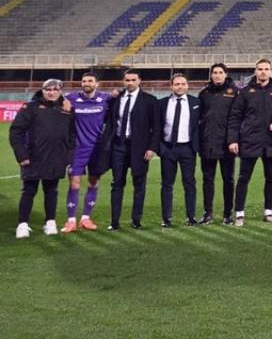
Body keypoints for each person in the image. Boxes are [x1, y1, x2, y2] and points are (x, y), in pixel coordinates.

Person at [9, 79, 75, 238]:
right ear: (42, 90)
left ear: (60, 91)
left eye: (55, 89)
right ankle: (22, 224)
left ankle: (50, 222)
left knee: (51, 191)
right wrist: (22, 155)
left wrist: (68, 156)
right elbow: (16, 132)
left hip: (56, 158)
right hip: (33, 158)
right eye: (47, 89)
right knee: (29, 191)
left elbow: (72, 135)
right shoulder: (30, 107)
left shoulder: (67, 108)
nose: (51, 92)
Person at [100, 68, 162, 230]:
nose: (130, 83)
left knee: (139, 185)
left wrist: (152, 148)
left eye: (133, 80)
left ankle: (136, 221)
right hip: (119, 146)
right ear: (123, 81)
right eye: (127, 80)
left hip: (140, 148)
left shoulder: (150, 100)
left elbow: (156, 127)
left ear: (139, 81)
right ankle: (114, 222)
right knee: (117, 184)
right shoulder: (116, 99)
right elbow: (109, 120)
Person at [228, 59, 272, 226]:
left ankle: (269, 212)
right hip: (249, 140)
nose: (263, 72)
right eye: (260, 69)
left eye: (266, 69)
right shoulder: (245, 92)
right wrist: (233, 139)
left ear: (271, 71)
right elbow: (235, 116)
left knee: (271, 178)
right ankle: (239, 214)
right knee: (244, 178)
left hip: (271, 142)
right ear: (255, 71)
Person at [62, 71, 111, 232]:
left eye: (90, 81)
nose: (86, 83)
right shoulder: (71, 98)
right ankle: (70, 220)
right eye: (84, 81)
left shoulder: (105, 99)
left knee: (93, 182)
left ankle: (85, 218)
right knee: (74, 182)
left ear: (97, 84)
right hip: (77, 148)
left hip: (97, 148)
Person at [158, 73, 201, 227]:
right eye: (177, 84)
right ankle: (166, 218)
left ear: (187, 86)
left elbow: (199, 126)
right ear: (171, 86)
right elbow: (156, 127)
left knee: (189, 183)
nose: (180, 86)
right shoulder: (162, 103)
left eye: (183, 84)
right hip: (168, 148)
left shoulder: (196, 102)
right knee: (167, 184)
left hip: (188, 148)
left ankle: (191, 217)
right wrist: (161, 148)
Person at [198, 63, 238, 225]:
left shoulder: (234, 92)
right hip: (207, 143)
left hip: (226, 144)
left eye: (220, 72)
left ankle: (228, 214)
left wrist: (233, 139)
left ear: (225, 74)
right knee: (208, 180)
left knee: (228, 179)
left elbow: (236, 118)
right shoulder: (204, 93)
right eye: (214, 72)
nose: (217, 75)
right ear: (211, 75)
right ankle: (208, 213)